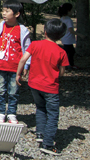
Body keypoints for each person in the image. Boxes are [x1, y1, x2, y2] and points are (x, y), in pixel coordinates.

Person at [16, 19, 68, 156]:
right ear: (61, 36)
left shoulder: (35, 44)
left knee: (40, 108)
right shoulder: (61, 52)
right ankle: (48, 144)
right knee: (53, 114)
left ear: (45, 32)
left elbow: (23, 59)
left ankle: (40, 133)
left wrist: (18, 74)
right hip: (50, 87)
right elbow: (62, 72)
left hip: (34, 84)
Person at [58, 3, 84, 70]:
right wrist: (80, 35)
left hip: (64, 38)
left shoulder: (62, 18)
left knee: (70, 51)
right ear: (68, 10)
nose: (72, 12)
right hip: (68, 39)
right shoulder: (68, 20)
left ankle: (68, 64)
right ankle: (68, 65)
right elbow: (71, 30)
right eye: (72, 10)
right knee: (70, 52)